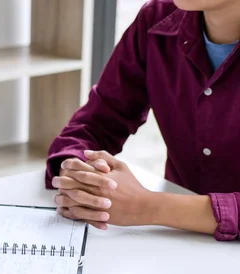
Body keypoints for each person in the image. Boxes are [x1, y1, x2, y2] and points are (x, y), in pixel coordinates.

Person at [45, 0, 240, 241]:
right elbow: (99, 120)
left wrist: (148, 206)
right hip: (175, 240)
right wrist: (82, 176)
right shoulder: (157, 18)